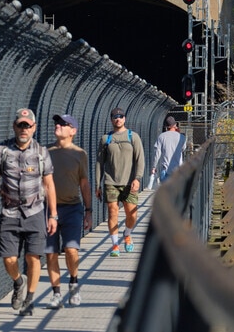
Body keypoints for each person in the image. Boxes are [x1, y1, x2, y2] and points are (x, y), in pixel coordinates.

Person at [0, 108, 58, 316]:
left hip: (35, 211)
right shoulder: (3, 151)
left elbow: (49, 184)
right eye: (21, 125)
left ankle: (29, 298)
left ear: (34, 128)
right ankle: (19, 281)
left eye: (28, 125)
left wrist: (53, 215)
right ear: (14, 126)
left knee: (33, 257)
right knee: (8, 258)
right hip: (9, 211)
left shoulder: (41, 153)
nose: (24, 129)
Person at [44, 114, 92, 309]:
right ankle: (56, 294)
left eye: (64, 124)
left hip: (72, 208)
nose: (58, 126)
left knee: (71, 249)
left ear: (73, 131)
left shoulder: (80, 154)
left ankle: (73, 282)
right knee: (51, 253)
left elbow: (84, 183)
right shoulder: (45, 151)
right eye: (57, 123)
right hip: (48, 210)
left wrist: (88, 211)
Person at [95, 107, 145, 257]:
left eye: (120, 116)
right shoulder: (106, 139)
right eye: (115, 117)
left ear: (125, 118)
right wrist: (97, 184)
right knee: (112, 212)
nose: (118, 119)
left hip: (129, 182)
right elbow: (99, 163)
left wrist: (137, 178)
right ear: (111, 120)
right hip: (111, 182)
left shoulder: (133, 137)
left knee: (132, 214)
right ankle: (115, 245)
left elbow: (140, 159)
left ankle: (127, 234)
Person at [150, 115, 186, 183]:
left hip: (166, 170)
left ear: (166, 126)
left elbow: (157, 154)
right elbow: (183, 149)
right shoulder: (182, 137)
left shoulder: (161, 137)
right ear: (175, 125)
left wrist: (154, 167)